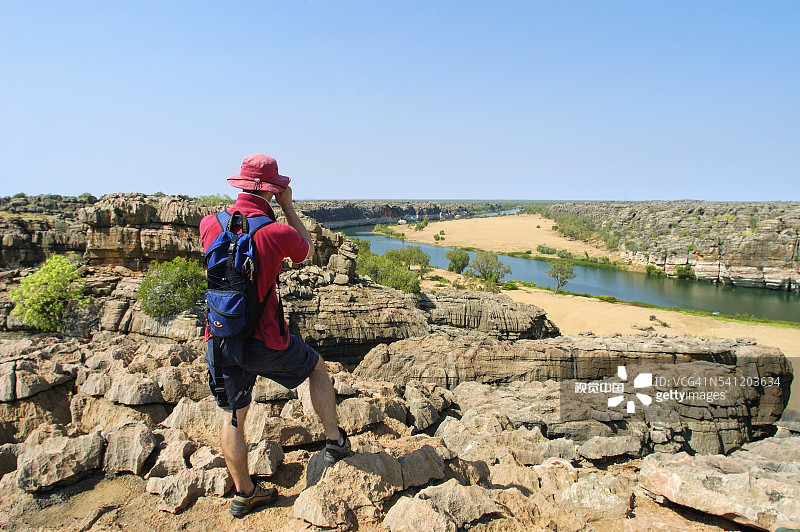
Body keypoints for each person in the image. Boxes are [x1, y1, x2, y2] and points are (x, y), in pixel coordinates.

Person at [199, 153, 350, 518]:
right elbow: (307, 252)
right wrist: (288, 208)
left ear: (240, 185)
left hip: (219, 340)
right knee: (316, 368)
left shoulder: (209, 224)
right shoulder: (276, 231)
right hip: (265, 341)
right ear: (272, 190)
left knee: (234, 415)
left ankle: (245, 494)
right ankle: (334, 441)